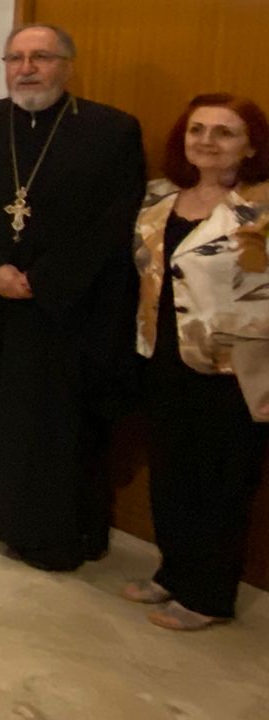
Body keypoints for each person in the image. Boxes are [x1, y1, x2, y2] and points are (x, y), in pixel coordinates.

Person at [0, 23, 145, 572]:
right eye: (16, 58)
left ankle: (38, 531)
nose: (27, 68)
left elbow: (113, 224)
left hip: (61, 308)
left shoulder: (111, 132)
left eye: (41, 57)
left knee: (47, 422)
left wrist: (43, 279)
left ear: (67, 65)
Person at [125, 94, 269, 630]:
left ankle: (208, 596)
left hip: (234, 368)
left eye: (224, 132)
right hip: (162, 354)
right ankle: (172, 571)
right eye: (197, 130)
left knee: (221, 483)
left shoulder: (263, 205)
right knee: (171, 474)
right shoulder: (159, 198)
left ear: (251, 144)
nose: (206, 141)